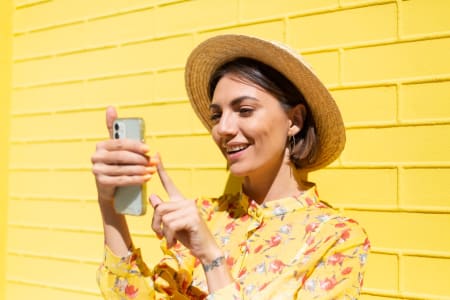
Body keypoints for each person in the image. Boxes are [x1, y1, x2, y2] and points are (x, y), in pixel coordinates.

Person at [91, 34, 370, 299]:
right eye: (217, 115)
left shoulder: (336, 237)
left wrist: (212, 259)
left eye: (244, 110)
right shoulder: (204, 215)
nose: (222, 128)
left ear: (294, 120)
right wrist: (110, 205)